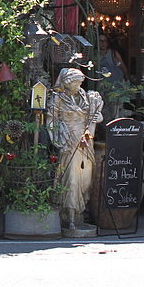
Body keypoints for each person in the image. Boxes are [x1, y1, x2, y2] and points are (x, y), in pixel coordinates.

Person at [48, 67, 103, 232]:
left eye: (81, 82)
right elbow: (51, 120)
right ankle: (70, 217)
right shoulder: (58, 98)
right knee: (72, 178)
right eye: (76, 82)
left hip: (85, 141)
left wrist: (98, 118)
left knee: (86, 179)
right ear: (67, 82)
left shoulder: (85, 97)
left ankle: (79, 213)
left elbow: (92, 116)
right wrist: (56, 140)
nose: (79, 85)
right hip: (69, 141)